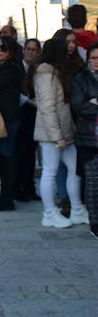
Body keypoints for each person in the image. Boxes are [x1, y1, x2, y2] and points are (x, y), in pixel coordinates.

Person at [33, 37, 88, 228]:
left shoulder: (55, 72)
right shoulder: (46, 74)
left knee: (75, 170)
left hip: (64, 133)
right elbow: (47, 108)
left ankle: (77, 210)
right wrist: (57, 136)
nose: (70, 50)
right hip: (53, 134)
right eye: (66, 48)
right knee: (50, 171)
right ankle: (49, 213)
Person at [0, 35, 24, 212]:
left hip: (8, 118)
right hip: (0, 116)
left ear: (12, 51)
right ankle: (6, 195)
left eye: (4, 47)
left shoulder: (13, 68)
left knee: (6, 157)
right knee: (2, 157)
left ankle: (7, 198)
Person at [71, 41, 98, 238]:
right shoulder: (80, 79)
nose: (97, 62)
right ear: (87, 59)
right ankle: (94, 223)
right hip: (88, 137)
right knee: (92, 181)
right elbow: (78, 106)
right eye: (93, 58)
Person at [15, 38, 42, 202]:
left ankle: (30, 188)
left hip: (33, 117)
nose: (30, 52)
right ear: (24, 50)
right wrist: (28, 101)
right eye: (28, 49)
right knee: (20, 154)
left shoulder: (39, 69)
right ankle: (20, 188)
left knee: (31, 154)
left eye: (34, 50)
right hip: (20, 114)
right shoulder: (17, 68)